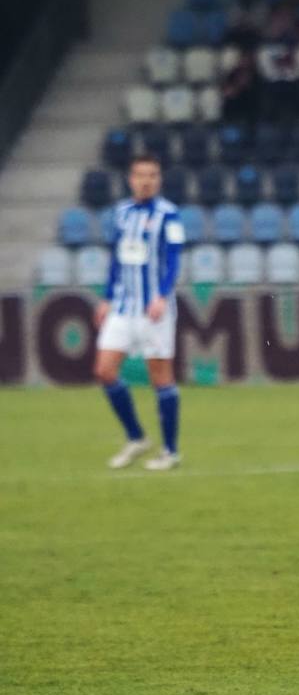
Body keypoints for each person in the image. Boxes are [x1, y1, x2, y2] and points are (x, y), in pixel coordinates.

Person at [93, 155, 184, 471]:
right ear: (131, 179)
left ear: (159, 180)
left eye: (153, 175)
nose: (146, 181)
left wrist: (162, 295)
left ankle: (170, 451)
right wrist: (106, 298)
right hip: (122, 306)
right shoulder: (120, 213)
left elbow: (173, 260)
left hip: (153, 310)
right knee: (104, 371)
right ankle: (136, 437)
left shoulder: (168, 215)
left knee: (160, 377)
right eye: (141, 175)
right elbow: (116, 259)